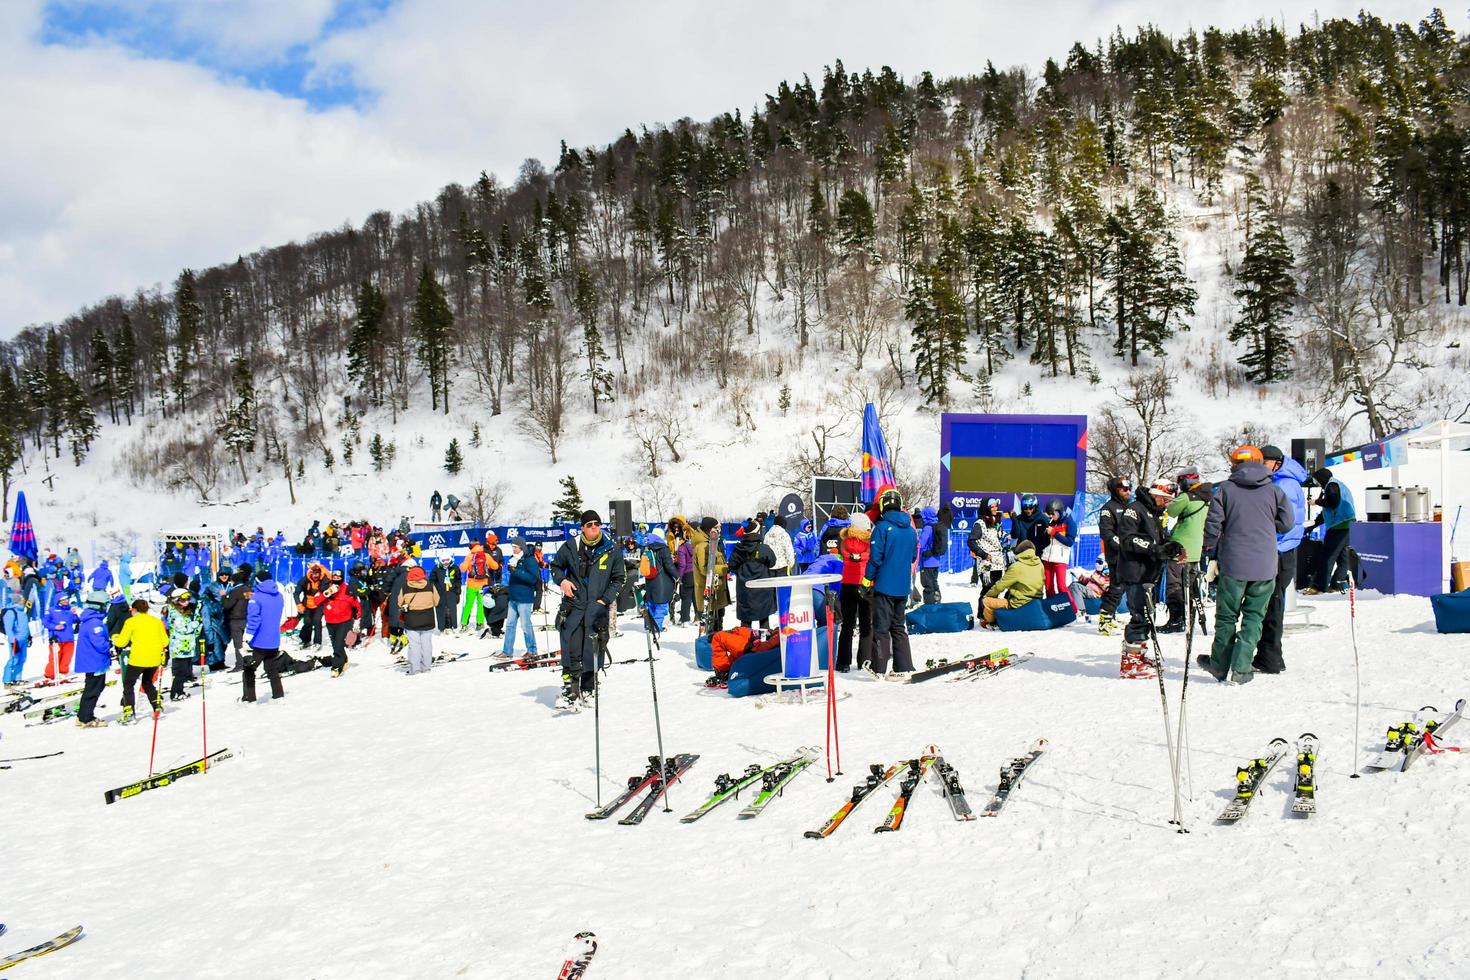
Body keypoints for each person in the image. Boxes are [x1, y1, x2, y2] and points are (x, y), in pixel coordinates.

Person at [1197, 446, 1295, 685]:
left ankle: (1220, 665)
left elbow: (1213, 525)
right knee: (1254, 617)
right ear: (1261, 462)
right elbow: (1287, 524)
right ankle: (1241, 668)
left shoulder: (1226, 490)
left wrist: (1207, 548)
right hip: (1265, 565)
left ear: (1233, 463)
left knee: (1227, 616)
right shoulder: (1274, 491)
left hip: (1234, 564)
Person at [551, 510, 625, 705]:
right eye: (590, 524)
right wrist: (563, 581)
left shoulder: (612, 549)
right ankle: (571, 689)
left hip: (597, 608)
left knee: (593, 648)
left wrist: (605, 599)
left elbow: (619, 579)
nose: (594, 527)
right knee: (571, 647)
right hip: (574, 606)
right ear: (582, 527)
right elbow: (555, 567)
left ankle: (589, 688)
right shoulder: (570, 546)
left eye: (597, 523)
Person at [1116, 480, 1185, 678]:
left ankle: (1139, 656)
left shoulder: (1155, 513)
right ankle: (1130, 665)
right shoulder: (1135, 509)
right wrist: (1155, 549)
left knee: (1148, 614)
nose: (1167, 504)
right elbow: (1127, 538)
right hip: (1135, 572)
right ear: (1156, 495)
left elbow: (1159, 540)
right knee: (1139, 615)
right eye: (1166, 500)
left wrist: (1173, 547)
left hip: (1148, 573)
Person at [1251, 447, 1307, 668]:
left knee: (1272, 604)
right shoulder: (1283, 481)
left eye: (1261, 462)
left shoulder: (1282, 485)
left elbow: (1284, 522)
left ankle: (1271, 657)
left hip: (1279, 550)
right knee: (1271, 603)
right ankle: (1268, 654)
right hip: (1281, 549)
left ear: (1274, 462)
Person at [862, 489, 918, 676]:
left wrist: (866, 580)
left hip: (884, 586)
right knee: (898, 626)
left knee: (881, 627)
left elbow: (875, 558)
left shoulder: (882, 528)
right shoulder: (910, 530)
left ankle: (878, 669)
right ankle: (904, 667)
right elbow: (913, 556)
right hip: (903, 586)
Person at [1160, 469, 1213, 633]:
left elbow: (1171, 511)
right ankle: (1189, 618)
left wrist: (1174, 497)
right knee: (1189, 585)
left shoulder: (1187, 497)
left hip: (1180, 547)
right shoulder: (1208, 497)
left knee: (1174, 584)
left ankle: (1176, 620)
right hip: (1196, 548)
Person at [111, 598, 168, 723]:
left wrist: (115, 638)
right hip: (154, 659)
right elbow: (165, 641)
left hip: (138, 659)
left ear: (135, 610)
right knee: (148, 683)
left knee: (128, 684)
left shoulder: (131, 622)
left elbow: (122, 642)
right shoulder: (156, 621)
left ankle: (129, 713)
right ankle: (157, 707)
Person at [1305, 467, 1356, 594]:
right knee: (1342, 558)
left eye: (1317, 481)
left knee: (1328, 556)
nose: (1317, 483)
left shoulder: (1331, 485)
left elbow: (1332, 502)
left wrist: (1316, 501)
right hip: (1346, 524)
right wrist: (1314, 525)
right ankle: (1336, 585)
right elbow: (1327, 511)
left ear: (1322, 478)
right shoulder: (1335, 484)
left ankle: (1318, 586)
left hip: (1339, 526)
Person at [241, 569, 288, 703]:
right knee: (272, 668)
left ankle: (249, 698)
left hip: (258, 641)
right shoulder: (279, 596)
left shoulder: (256, 598)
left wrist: (247, 638)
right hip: (273, 639)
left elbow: (254, 621)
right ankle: (278, 696)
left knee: (249, 668)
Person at [835, 512, 873, 671]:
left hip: (847, 584)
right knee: (866, 625)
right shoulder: (869, 543)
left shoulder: (844, 542)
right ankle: (864, 660)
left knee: (847, 625)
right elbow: (872, 556)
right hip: (865, 584)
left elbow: (843, 555)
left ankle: (843, 662)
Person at [1096, 476, 1132, 637]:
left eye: (1129, 488)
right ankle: (1104, 622)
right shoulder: (1108, 508)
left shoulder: (1130, 507)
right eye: (1124, 489)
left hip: (1129, 556)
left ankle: (1111, 615)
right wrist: (1122, 545)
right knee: (1117, 587)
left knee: (1121, 587)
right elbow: (1106, 532)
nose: (1127, 491)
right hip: (1116, 556)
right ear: (1115, 490)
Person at [980, 539, 1044, 627]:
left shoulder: (1016, 567)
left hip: (1019, 604)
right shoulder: (1040, 564)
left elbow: (1000, 586)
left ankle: (991, 623)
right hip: (1036, 603)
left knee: (986, 601)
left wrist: (987, 595)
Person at [74, 595, 112, 727]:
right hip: (94, 661)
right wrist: (110, 645)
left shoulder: (91, 620)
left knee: (93, 687)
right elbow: (100, 644)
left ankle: (83, 715)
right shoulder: (94, 622)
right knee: (93, 689)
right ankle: (86, 718)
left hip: (93, 661)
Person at [730, 521, 777, 630]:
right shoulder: (763, 548)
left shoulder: (738, 549)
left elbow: (732, 566)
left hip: (744, 589)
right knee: (764, 622)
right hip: (763, 590)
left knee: (745, 623)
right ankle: (765, 644)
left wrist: (742, 573)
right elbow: (773, 562)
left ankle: (745, 643)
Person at [396, 565, 440, 674]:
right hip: (428, 617)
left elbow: (399, 602)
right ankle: (426, 667)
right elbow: (437, 601)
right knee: (427, 644)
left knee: (414, 645)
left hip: (411, 619)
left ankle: (414, 669)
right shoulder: (430, 586)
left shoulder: (405, 587)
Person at [690, 517, 730, 634]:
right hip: (709, 594)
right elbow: (705, 568)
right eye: (718, 528)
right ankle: (711, 649)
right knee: (712, 627)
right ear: (710, 529)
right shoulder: (703, 546)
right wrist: (726, 568)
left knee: (717, 625)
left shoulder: (710, 542)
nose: (720, 530)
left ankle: (716, 647)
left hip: (715, 592)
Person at [503, 539, 541, 657]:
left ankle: (532, 650)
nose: (514, 549)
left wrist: (516, 572)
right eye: (513, 547)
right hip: (513, 597)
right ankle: (507, 651)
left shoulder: (530, 560)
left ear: (522, 548)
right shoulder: (513, 559)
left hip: (524, 599)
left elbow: (533, 579)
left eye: (516, 547)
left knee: (525, 625)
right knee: (509, 625)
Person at [165, 589, 203, 701]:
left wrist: (197, 616)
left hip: (187, 647)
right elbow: (184, 628)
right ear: (176, 600)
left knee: (185, 671)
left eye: (187, 599)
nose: (186, 602)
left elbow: (195, 630)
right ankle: (175, 693)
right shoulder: (174, 613)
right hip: (179, 648)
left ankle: (179, 691)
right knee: (180, 672)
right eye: (183, 600)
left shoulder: (184, 612)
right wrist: (195, 624)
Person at [1039, 500, 1077, 610]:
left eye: (1053, 513)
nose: (1051, 516)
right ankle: (1053, 608)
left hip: (1060, 559)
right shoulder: (1050, 522)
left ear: (1059, 511)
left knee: (1061, 586)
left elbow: (1070, 542)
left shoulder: (1069, 522)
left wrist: (1054, 533)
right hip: (1047, 558)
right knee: (1048, 587)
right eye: (1049, 514)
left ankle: (1072, 609)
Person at [321, 570, 361, 676]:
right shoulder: (326, 588)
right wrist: (327, 593)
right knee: (335, 644)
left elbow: (356, 606)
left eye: (339, 578)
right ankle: (343, 658)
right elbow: (316, 601)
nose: (336, 580)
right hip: (330, 621)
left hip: (344, 621)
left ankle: (337, 666)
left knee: (338, 643)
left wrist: (357, 621)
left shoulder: (348, 590)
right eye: (334, 578)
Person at [639, 530, 678, 631]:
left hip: (649, 581)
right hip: (661, 582)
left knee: (651, 605)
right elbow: (668, 565)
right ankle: (656, 628)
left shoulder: (646, 547)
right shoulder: (663, 548)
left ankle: (649, 626)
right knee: (661, 606)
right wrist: (677, 576)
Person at [43, 593, 80, 681]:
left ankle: (62, 672)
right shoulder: (51, 610)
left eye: (67, 599)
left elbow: (77, 621)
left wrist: (75, 614)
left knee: (67, 657)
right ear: (59, 601)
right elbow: (45, 622)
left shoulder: (70, 610)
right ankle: (49, 674)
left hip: (69, 638)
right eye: (64, 600)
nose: (66, 601)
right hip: (56, 639)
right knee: (54, 658)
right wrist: (55, 627)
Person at [220, 567, 251, 670]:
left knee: (238, 643)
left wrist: (224, 597)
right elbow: (249, 601)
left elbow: (227, 605)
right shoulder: (247, 589)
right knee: (243, 642)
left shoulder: (235, 591)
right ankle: (247, 660)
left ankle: (240, 664)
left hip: (235, 619)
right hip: (245, 617)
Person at [917, 506, 947, 605]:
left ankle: (929, 607)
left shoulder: (928, 528)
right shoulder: (937, 526)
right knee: (934, 583)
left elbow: (920, 544)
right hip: (936, 561)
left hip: (927, 562)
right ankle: (937, 602)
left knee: (927, 586)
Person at [459, 544, 493, 632]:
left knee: (468, 605)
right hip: (483, 585)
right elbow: (495, 566)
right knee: (481, 605)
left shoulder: (470, 556)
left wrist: (465, 564)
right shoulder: (486, 556)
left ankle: (464, 623)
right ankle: (480, 623)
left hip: (471, 585)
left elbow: (462, 568)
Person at [295, 563, 328, 650]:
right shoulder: (305, 580)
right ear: (311, 573)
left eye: (317, 573)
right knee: (307, 622)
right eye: (313, 573)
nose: (315, 575)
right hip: (307, 604)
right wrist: (299, 604)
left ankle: (317, 642)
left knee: (317, 621)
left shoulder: (324, 579)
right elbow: (296, 592)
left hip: (319, 604)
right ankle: (306, 640)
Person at [431, 556, 463, 632]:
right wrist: (435, 591)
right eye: (443, 560)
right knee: (440, 610)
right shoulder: (436, 568)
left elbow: (458, 579)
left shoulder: (455, 567)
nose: (446, 562)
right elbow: (432, 580)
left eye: (447, 560)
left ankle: (452, 626)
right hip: (440, 593)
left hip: (452, 592)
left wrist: (457, 591)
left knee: (451, 610)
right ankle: (442, 628)